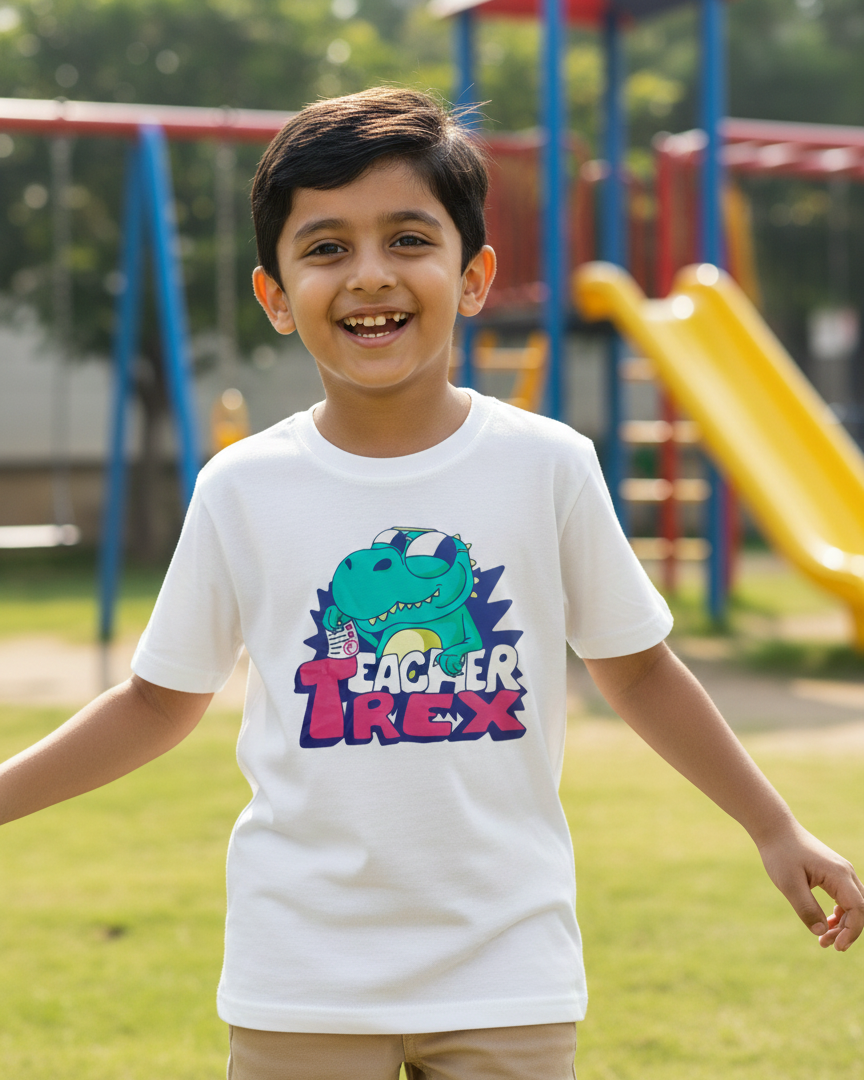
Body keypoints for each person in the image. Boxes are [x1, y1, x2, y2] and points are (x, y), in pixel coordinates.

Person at [0, 87, 861, 1080]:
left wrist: (772, 823)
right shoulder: (243, 487)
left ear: (475, 273)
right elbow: (157, 701)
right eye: (325, 249)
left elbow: (639, 671)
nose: (370, 275)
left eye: (408, 238)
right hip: (303, 977)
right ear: (275, 295)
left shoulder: (549, 466)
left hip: (507, 967)